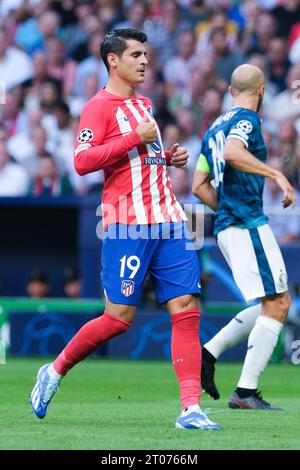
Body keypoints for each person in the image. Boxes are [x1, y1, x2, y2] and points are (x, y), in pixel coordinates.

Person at [29, 29, 220, 431]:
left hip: (169, 219)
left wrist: (167, 156)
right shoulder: (98, 107)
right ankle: (55, 370)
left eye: (146, 54)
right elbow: (82, 161)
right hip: (125, 224)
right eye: (135, 54)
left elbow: (139, 158)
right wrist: (137, 137)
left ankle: (190, 409)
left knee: (186, 309)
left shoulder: (145, 104)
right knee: (118, 318)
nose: (144, 61)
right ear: (113, 60)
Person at [192, 64, 296, 410]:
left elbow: (198, 185)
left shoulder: (213, 127)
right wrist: (276, 175)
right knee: (280, 304)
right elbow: (233, 152)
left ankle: (207, 352)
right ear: (262, 90)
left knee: (271, 302)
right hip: (247, 222)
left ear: (231, 90)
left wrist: (225, 210)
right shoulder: (247, 121)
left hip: (229, 225)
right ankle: (246, 392)